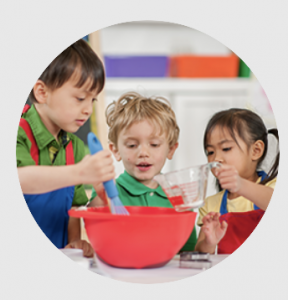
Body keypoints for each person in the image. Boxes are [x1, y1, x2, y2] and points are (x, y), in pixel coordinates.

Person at [17, 39, 115, 257]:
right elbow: (19, 179)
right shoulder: (18, 131)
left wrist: (75, 242)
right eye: (80, 98)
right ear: (42, 92)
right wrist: (80, 172)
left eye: (93, 101)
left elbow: (73, 209)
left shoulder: (76, 148)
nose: (88, 109)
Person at [89, 92, 198, 252]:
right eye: (132, 145)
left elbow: (188, 252)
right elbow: (94, 232)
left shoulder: (178, 198)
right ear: (116, 150)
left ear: (171, 149)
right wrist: (101, 198)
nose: (143, 153)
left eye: (154, 144)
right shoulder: (110, 190)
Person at [194, 108, 279, 254]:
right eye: (211, 152)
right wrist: (209, 242)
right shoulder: (211, 205)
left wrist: (241, 185)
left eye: (226, 148)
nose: (216, 159)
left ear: (256, 150)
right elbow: (200, 253)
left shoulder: (273, 187)